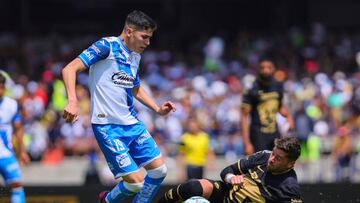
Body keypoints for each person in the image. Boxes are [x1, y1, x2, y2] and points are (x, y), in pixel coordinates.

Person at [62, 10, 176, 203]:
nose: (148, 43)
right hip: (107, 126)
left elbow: (135, 88)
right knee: (136, 183)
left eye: (150, 38)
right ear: (129, 31)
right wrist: (72, 100)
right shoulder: (106, 46)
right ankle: (106, 200)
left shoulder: (135, 56)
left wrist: (157, 109)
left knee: (159, 171)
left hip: (132, 123)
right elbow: (70, 68)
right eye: (145, 37)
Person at [157, 137, 303, 203]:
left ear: (291, 164)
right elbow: (227, 170)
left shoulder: (290, 187)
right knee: (194, 186)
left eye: (278, 158)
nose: (271, 159)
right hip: (226, 194)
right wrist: (231, 178)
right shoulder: (264, 156)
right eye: (273, 153)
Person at [241, 57, 294, 155]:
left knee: (277, 163)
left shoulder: (278, 86)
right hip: (258, 134)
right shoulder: (252, 88)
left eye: (269, 67)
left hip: (274, 133)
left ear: (273, 68)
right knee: (261, 166)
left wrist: (289, 118)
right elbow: (244, 116)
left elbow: (280, 106)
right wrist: (247, 143)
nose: (266, 70)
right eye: (262, 67)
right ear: (258, 69)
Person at [0, 73, 30, 203]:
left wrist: (22, 151)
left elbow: (18, 129)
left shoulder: (12, 105)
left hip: (6, 153)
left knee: (17, 185)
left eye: (1, 87)